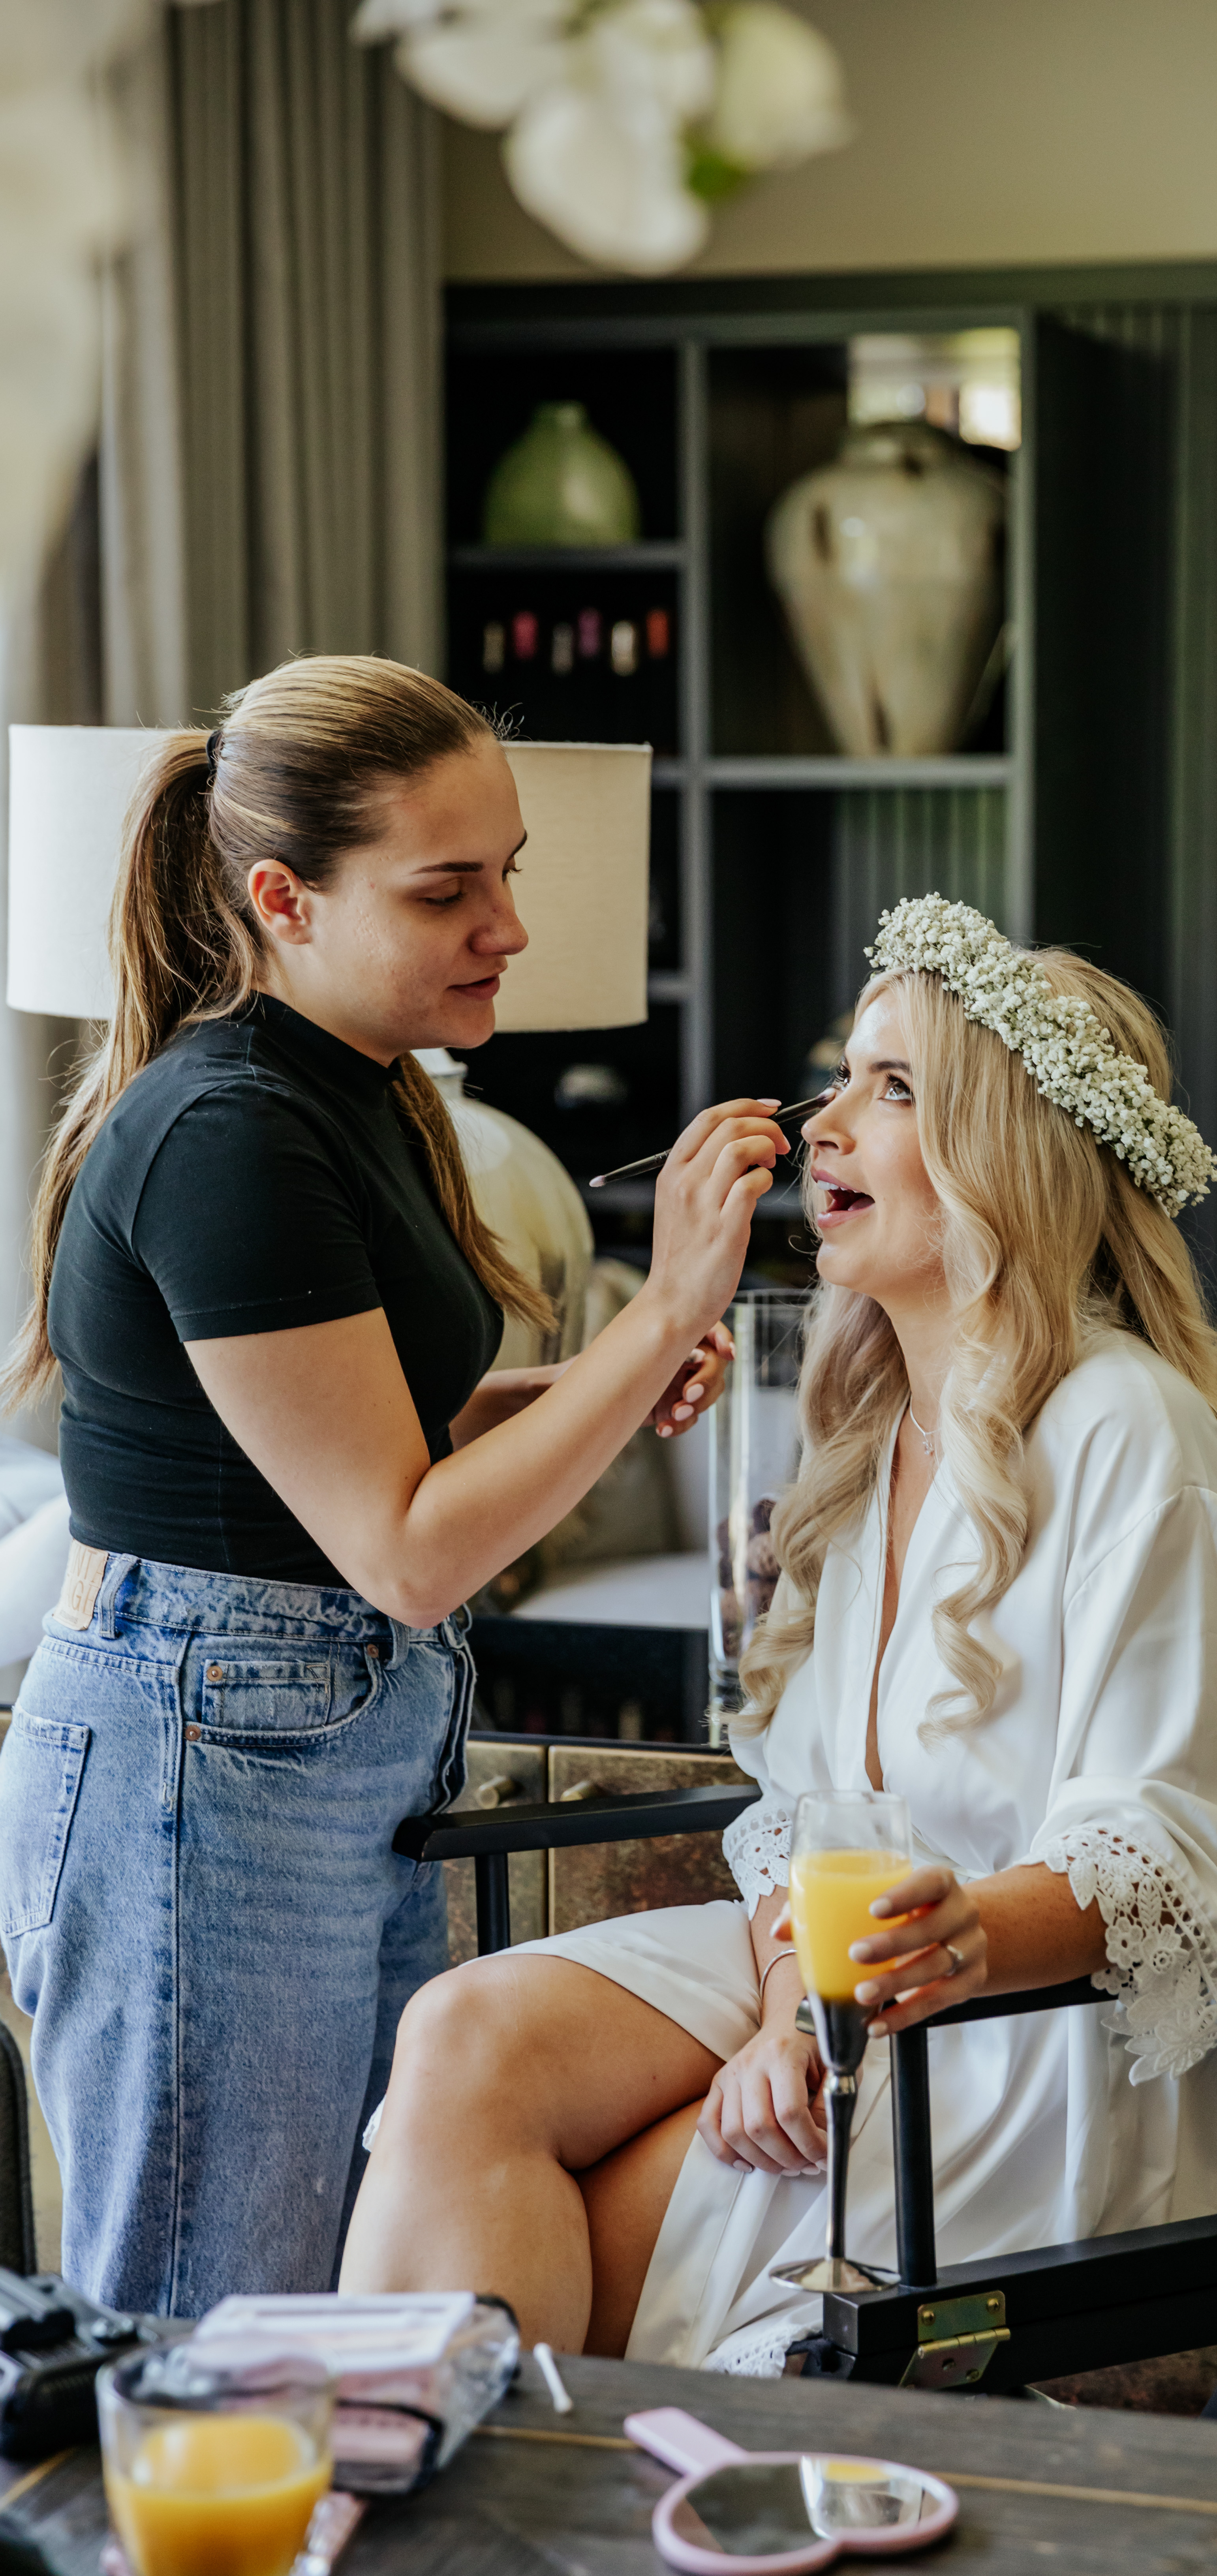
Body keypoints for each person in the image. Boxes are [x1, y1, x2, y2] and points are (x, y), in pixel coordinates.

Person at [342, 893, 1217, 2374]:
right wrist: (798, 2003)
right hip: (852, 1977)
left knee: (579, 2248)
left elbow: (1171, 1848)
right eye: (841, 1074)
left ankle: (464, 2505)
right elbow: (809, 1814)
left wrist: (945, 1947)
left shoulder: (1130, 1430)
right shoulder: (868, 1430)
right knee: (466, 2037)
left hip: (1030, 2028)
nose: (820, 1124)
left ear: (1010, 1157)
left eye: (892, 1088)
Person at [0, 655, 785, 2317]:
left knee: (334, 2330)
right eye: (448, 890)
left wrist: (596, 1380)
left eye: (508, 872)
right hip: (206, 1747)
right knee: (212, 2326)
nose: (504, 925)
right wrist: (656, 1313)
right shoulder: (228, 1130)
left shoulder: (353, 1089)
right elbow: (407, 1550)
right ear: (281, 897)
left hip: (306, 1727)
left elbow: (352, 1428)